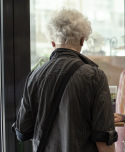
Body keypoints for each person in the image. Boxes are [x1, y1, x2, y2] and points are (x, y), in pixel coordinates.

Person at [12, 8, 117, 152]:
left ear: (53, 43)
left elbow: (23, 132)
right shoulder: (95, 76)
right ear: (82, 40)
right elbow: (103, 139)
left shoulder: (35, 76)